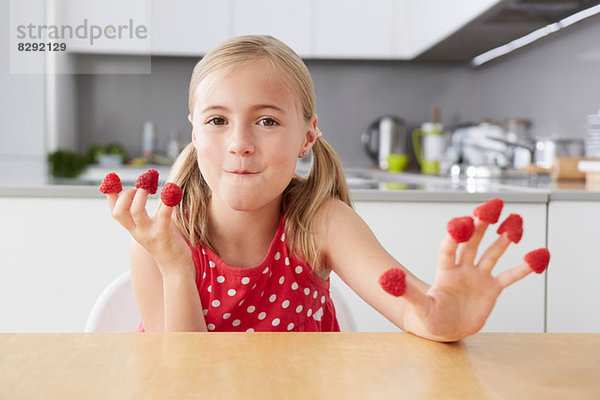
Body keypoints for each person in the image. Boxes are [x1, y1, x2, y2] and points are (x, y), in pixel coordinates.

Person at [106, 35, 537, 341]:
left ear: (307, 137)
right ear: (195, 134)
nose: (239, 144)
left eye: (267, 121)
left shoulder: (322, 223)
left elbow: (413, 307)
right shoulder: (160, 238)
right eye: (217, 120)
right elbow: (183, 383)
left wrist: (445, 321)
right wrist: (176, 267)